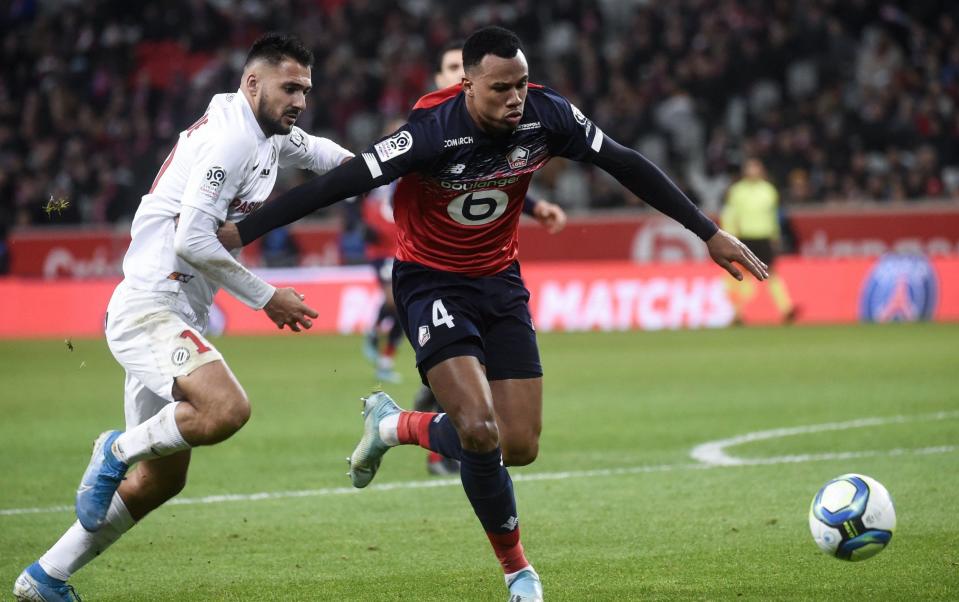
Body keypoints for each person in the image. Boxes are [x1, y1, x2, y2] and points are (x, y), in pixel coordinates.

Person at [219, 26, 767, 602]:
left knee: (520, 444)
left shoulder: (548, 116)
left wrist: (707, 232)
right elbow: (336, 185)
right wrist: (244, 231)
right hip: (431, 283)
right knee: (478, 430)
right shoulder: (429, 134)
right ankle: (518, 572)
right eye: (501, 88)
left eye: (523, 85)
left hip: (500, 283)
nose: (515, 99)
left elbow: (625, 162)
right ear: (468, 86)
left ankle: (393, 425)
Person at [13, 33, 352, 602]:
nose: (298, 99)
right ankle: (115, 449)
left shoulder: (264, 133)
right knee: (225, 409)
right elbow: (192, 238)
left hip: (173, 310)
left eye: (305, 90)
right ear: (253, 82)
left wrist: (400, 166)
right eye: (288, 87)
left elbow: (323, 156)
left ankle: (45, 577)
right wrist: (266, 296)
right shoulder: (230, 141)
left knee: (165, 478)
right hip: (150, 307)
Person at [380, 39, 568, 477]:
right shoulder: (422, 130)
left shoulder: (504, 120)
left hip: (494, 276)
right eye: (445, 67)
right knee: (467, 396)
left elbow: (492, 173)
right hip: (429, 271)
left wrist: (536, 207)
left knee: (508, 432)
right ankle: (437, 441)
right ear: (456, 80)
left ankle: (415, 428)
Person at [721, 158, 798, 325]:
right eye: (750, 168)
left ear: (761, 170)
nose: (752, 171)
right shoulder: (737, 191)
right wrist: (729, 236)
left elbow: (773, 217)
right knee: (744, 276)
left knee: (771, 274)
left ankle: (786, 308)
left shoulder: (769, 191)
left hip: (763, 237)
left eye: (755, 168)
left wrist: (775, 236)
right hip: (744, 238)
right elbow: (730, 215)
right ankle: (738, 313)